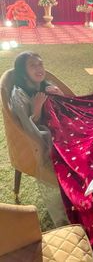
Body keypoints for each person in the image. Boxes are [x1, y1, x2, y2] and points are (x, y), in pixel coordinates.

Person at [10, 51, 68, 226]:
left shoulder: (45, 85)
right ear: (23, 71)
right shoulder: (18, 95)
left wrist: (60, 94)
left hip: (64, 128)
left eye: (40, 64)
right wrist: (36, 110)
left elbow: (66, 108)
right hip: (46, 138)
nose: (39, 69)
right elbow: (29, 131)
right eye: (33, 65)